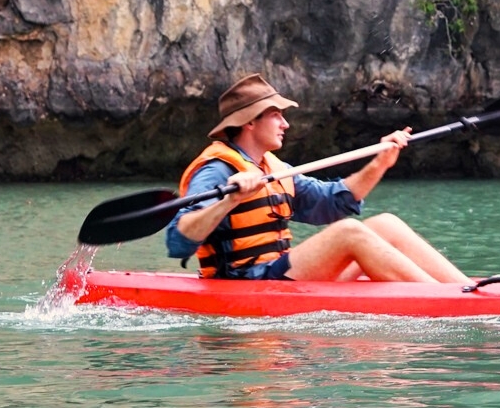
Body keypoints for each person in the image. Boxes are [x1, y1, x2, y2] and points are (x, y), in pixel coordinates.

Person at [167, 74, 468, 283]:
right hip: (244, 282)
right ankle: (452, 303)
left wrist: (381, 163)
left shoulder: (272, 167)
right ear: (249, 122)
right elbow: (178, 241)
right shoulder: (216, 170)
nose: (285, 123)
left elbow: (334, 201)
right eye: (276, 115)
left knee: (385, 223)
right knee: (348, 232)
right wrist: (231, 199)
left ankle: (468, 290)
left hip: (278, 273)